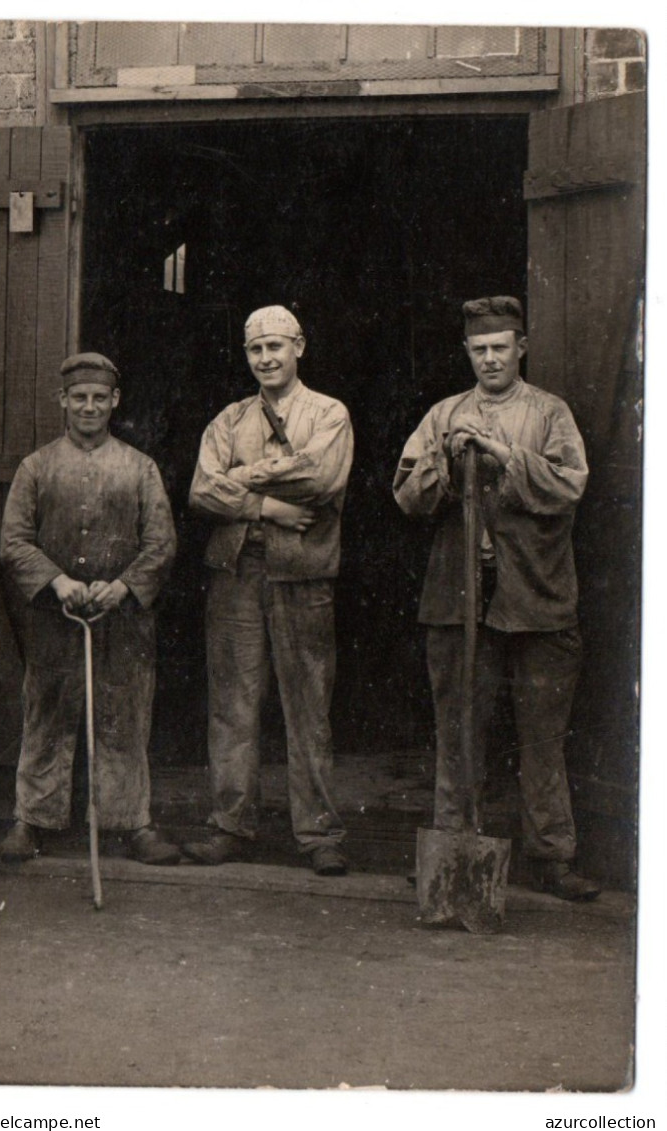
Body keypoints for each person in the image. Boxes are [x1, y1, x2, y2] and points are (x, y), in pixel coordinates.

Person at [393, 296, 600, 901]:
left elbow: (570, 484)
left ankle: (552, 856)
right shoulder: (443, 415)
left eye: (500, 348)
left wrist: (505, 454)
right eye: (478, 349)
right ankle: (453, 844)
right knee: (458, 731)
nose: (489, 358)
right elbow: (405, 494)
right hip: (459, 600)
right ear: (466, 353)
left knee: (542, 736)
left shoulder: (549, 413)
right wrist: (449, 457)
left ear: (521, 348)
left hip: (535, 595)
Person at [185, 306, 353, 875]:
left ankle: (319, 834)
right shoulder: (228, 420)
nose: (267, 358)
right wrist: (269, 506)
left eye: (277, 346)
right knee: (233, 704)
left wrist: (244, 475)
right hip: (236, 574)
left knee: (308, 706)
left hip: (303, 575)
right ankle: (231, 825)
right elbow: (201, 493)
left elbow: (321, 477)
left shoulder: (329, 413)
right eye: (256, 350)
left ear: (300, 346)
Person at [0, 352, 180, 866]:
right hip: (56, 620)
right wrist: (56, 581)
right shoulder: (36, 467)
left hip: (123, 621)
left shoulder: (140, 468)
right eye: (79, 398)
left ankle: (132, 823)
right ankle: (31, 820)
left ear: (115, 402)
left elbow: (162, 544)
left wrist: (123, 586)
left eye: (100, 398)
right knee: (47, 712)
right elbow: (14, 542)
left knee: (124, 714)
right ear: (63, 400)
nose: (89, 407)